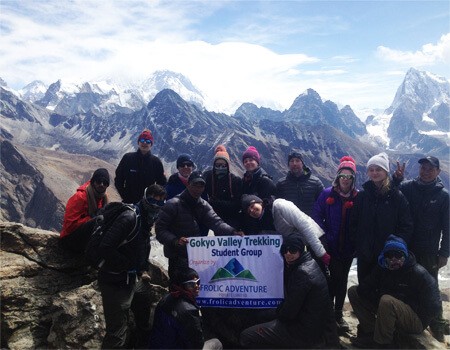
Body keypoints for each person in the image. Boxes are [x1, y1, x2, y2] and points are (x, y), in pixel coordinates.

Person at [97, 185, 166, 349]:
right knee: (117, 333)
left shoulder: (144, 220)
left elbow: (139, 246)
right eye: (152, 201)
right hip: (114, 280)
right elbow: (105, 247)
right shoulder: (130, 217)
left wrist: (141, 269)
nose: (156, 206)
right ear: (144, 198)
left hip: (130, 279)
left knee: (144, 300)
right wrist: (129, 265)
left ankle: (140, 343)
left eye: (160, 203)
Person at [239, 234, 335, 348]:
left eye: (292, 250)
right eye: (285, 250)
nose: (288, 254)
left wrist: (276, 311)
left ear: (300, 250)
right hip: (313, 325)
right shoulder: (310, 263)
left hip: (304, 332)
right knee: (263, 315)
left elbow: (288, 314)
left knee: (246, 336)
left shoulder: (302, 273)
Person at [349, 235, 442, 349]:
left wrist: (414, 308)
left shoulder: (418, 273)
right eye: (390, 255)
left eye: (398, 255)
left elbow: (435, 305)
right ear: (385, 256)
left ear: (405, 255)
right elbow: (364, 288)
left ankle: (382, 343)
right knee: (353, 292)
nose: (394, 259)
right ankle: (371, 332)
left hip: (416, 318)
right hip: (389, 308)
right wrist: (377, 299)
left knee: (387, 301)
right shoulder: (382, 268)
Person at [395, 155, 449, 342]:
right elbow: (392, 195)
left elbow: (448, 228)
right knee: (405, 283)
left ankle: (438, 326)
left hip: (428, 251)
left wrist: (444, 253)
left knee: (431, 286)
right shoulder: (407, 187)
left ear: (438, 172)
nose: (425, 172)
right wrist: (397, 179)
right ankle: (406, 322)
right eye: (423, 168)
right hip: (406, 248)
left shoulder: (444, 196)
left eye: (430, 169)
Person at [155, 171, 240, 279]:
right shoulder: (173, 204)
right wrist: (175, 241)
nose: (198, 189)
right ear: (188, 184)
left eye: (201, 186)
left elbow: (216, 223)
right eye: (195, 185)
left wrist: (233, 232)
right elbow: (160, 230)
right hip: (176, 254)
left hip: (195, 255)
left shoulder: (203, 205)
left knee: (194, 287)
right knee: (177, 288)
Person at [349, 152, 413, 283]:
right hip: (365, 255)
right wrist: (358, 246)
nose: (374, 173)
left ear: (386, 171)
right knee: (365, 289)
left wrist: (396, 248)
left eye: (378, 169)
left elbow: (406, 225)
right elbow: (353, 223)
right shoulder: (362, 196)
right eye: (371, 170)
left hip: (388, 255)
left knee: (385, 290)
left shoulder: (396, 197)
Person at [312, 156, 358, 332]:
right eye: (343, 176)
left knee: (342, 280)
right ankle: (328, 314)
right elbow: (317, 215)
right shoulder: (326, 194)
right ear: (338, 176)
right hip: (330, 246)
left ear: (353, 179)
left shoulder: (357, 197)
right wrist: (325, 236)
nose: (345, 180)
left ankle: (337, 314)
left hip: (347, 248)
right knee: (331, 280)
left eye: (349, 177)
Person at [241, 194, 330, 266]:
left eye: (252, 206)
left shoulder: (280, 206)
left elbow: (305, 227)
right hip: (300, 249)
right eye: (249, 211)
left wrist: (321, 253)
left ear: (260, 202)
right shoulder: (262, 221)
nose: (252, 210)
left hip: (316, 241)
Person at [149, 267, 222, 349]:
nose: (196, 286)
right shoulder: (189, 310)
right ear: (182, 286)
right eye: (191, 284)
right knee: (217, 343)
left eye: (198, 282)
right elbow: (197, 345)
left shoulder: (165, 298)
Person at [60, 168, 110, 253]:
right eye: (98, 181)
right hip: (69, 239)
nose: (101, 185)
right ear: (93, 181)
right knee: (99, 220)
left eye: (105, 183)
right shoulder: (80, 197)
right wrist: (91, 219)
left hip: (84, 238)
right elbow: (69, 226)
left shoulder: (103, 199)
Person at [114, 129, 167, 204]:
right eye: (142, 140)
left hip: (148, 204)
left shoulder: (156, 162)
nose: (144, 143)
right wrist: (124, 196)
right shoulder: (128, 158)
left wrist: (154, 199)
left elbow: (162, 184)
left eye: (148, 141)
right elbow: (119, 179)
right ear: (138, 142)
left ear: (151, 144)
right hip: (128, 202)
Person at [204, 145, 242, 229]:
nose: (220, 167)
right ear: (214, 165)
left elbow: (237, 205)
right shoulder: (208, 177)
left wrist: (215, 202)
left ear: (228, 165)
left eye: (223, 165)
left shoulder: (235, 180)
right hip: (212, 216)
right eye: (217, 165)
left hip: (231, 218)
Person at [276, 151, 324, 217]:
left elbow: (323, 205)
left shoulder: (316, 183)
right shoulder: (281, 184)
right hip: (289, 224)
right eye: (292, 161)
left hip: (311, 224)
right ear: (288, 164)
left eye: (297, 160)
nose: (294, 164)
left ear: (302, 164)